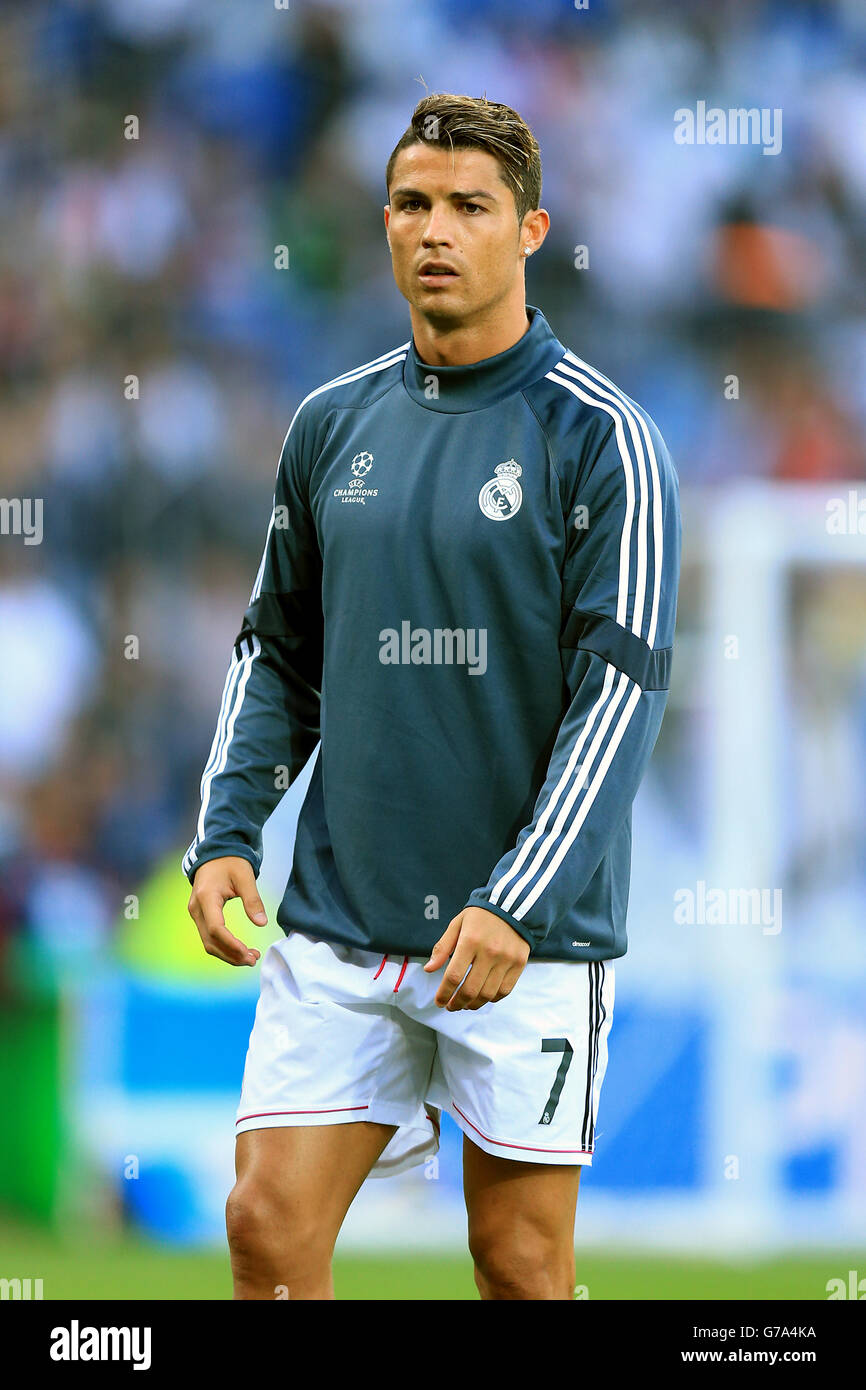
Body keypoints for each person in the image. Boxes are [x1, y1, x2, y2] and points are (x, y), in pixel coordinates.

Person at [184, 92, 681, 1300]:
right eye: (412, 204)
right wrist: (227, 828)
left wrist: (513, 899)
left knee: (516, 1263)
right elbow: (276, 649)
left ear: (529, 230)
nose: (435, 229)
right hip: (341, 921)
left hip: (524, 941)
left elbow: (615, 698)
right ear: (385, 223)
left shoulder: (603, 440)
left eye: (469, 206)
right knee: (264, 1226)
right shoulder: (330, 423)